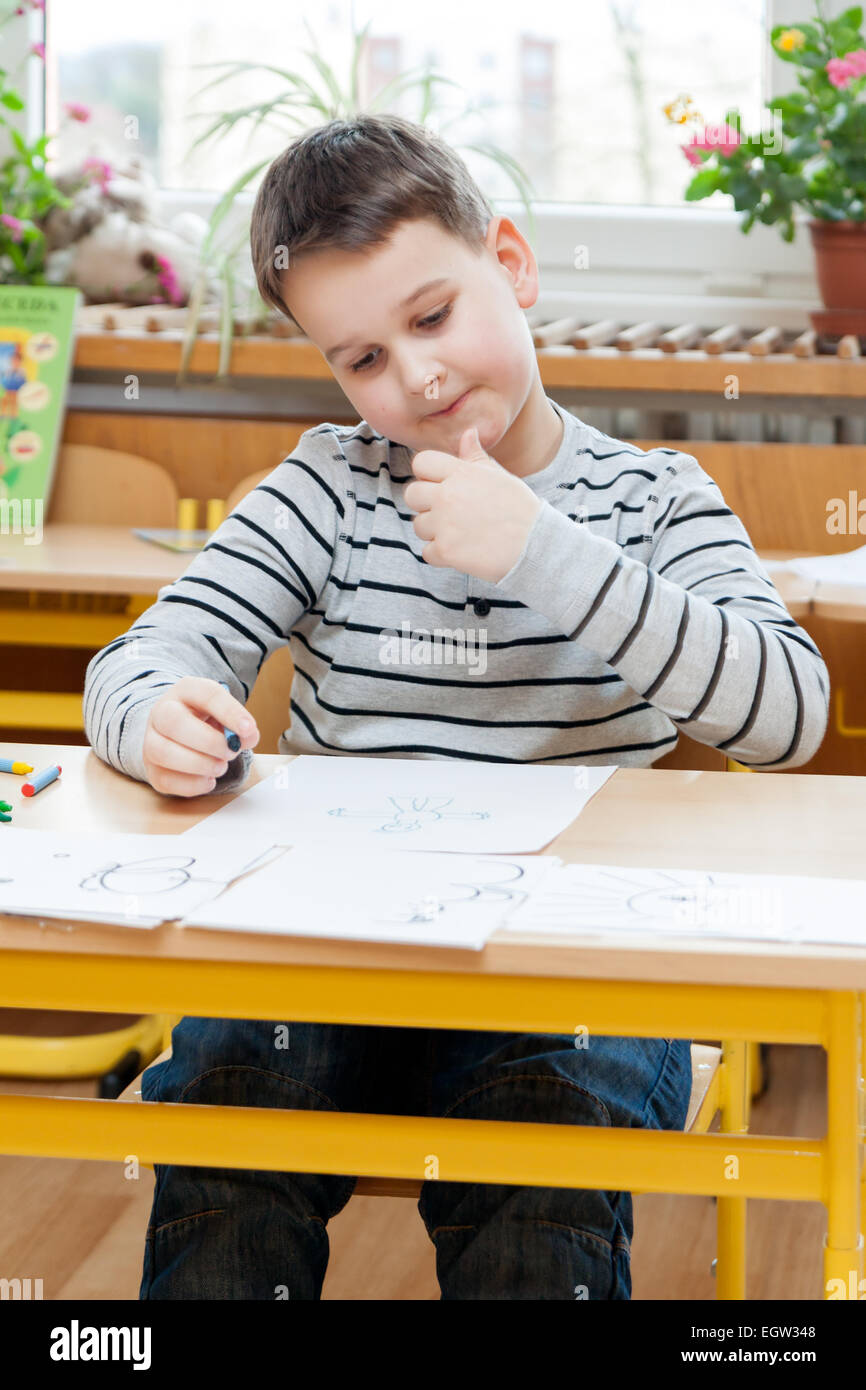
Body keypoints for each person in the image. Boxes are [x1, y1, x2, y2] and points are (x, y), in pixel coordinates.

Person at [83, 113, 829, 1300]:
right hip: (327, 963)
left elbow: (787, 713)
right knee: (227, 1118)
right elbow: (150, 649)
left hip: (568, 982)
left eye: (431, 317)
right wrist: (158, 705)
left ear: (514, 266)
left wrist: (542, 550)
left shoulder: (650, 497)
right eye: (361, 358)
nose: (416, 376)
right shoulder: (328, 488)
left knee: (542, 1183)